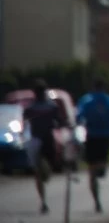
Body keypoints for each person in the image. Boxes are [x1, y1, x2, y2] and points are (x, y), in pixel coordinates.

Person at [76, 78, 109, 213]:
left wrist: (82, 125)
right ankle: (101, 170)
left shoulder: (86, 100)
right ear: (104, 88)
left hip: (91, 137)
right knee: (102, 165)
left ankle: (96, 200)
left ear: (93, 87)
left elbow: (78, 116)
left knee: (92, 171)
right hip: (105, 137)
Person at [23, 80, 68, 215]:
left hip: (36, 140)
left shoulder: (30, 108)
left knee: (39, 172)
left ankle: (43, 199)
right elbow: (60, 121)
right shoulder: (51, 106)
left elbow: (24, 122)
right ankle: (43, 201)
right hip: (46, 140)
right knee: (44, 169)